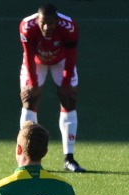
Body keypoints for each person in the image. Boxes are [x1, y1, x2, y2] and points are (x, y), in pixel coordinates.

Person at [19, 4, 85, 172]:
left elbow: (71, 56)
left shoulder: (69, 28)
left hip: (61, 61)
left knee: (69, 100)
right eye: (43, 23)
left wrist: (65, 84)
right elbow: (28, 55)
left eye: (51, 23)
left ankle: (69, 158)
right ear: (37, 20)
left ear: (57, 21)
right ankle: (26, 159)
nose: (47, 27)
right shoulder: (27, 27)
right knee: (30, 100)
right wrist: (33, 84)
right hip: (36, 62)